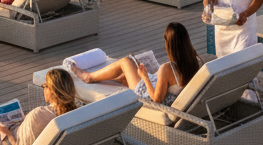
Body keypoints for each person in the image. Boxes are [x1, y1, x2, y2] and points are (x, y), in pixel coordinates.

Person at [67, 21, 203, 106]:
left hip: (148, 96)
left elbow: (157, 99)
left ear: (169, 44)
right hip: (170, 93)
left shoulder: (168, 68)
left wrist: (145, 77)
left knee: (127, 61)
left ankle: (88, 77)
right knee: (129, 70)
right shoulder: (195, 61)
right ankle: (115, 78)